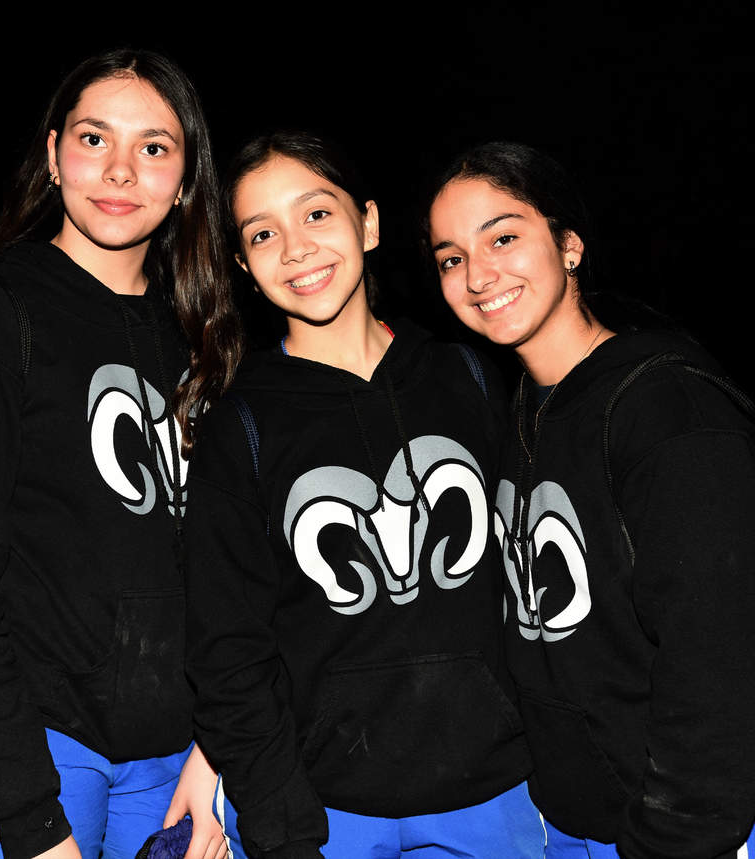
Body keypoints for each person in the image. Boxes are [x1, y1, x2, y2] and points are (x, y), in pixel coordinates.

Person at [0, 48, 237, 859]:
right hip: (18, 746)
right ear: (53, 155)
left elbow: (232, 575)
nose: (120, 170)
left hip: (171, 760)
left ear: (187, 176)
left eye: (154, 146)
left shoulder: (205, 341)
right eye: (93, 138)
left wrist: (216, 748)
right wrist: (30, 819)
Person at [426, 142, 755, 859]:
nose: (477, 275)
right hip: (570, 818)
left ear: (569, 245)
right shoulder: (521, 412)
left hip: (688, 824)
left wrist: (672, 833)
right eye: (450, 257)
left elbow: (725, 659)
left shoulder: (667, 411)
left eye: (503, 238)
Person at [179, 132, 542, 859]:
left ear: (368, 223)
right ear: (244, 264)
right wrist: (282, 828)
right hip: (327, 811)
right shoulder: (240, 426)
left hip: (495, 794)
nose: (296, 248)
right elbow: (228, 651)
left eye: (317, 213)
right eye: (262, 233)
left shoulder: (469, 376)